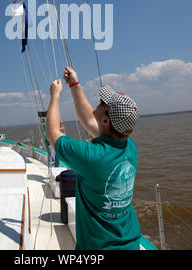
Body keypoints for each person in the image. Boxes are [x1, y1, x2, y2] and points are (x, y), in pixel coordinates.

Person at [45, 66, 141, 250]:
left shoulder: (91, 156)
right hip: (130, 243)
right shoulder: (130, 147)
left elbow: (52, 133)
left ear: (106, 121)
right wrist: (74, 85)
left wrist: (55, 95)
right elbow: (90, 120)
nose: (97, 104)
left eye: (101, 105)